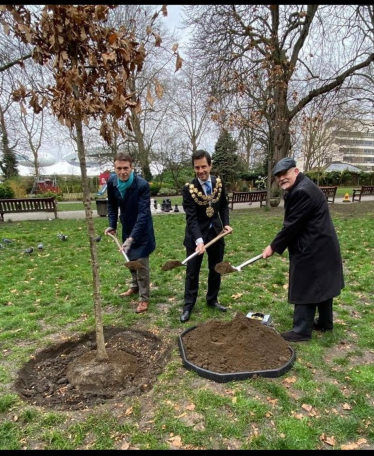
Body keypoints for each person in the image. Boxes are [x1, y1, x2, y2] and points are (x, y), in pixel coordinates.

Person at [262, 157, 345, 342]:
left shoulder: (302, 192)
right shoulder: (301, 186)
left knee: (304, 283)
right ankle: (325, 323)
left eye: (285, 174)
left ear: (296, 171)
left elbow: (292, 226)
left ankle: (301, 330)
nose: (281, 178)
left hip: (313, 247)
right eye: (278, 176)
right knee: (322, 283)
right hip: (322, 244)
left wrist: (273, 246)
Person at [180, 149, 233, 323]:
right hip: (196, 236)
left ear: (210, 165)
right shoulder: (189, 189)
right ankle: (188, 306)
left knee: (216, 268)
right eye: (197, 168)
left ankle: (212, 300)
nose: (201, 171)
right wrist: (199, 241)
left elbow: (224, 205)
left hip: (216, 233)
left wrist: (225, 223)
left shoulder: (218, 183)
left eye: (204, 166)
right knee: (192, 272)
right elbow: (192, 218)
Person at [104, 152, 156, 314]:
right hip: (126, 227)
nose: (122, 172)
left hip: (142, 230)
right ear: (115, 168)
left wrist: (132, 238)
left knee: (141, 264)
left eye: (125, 168)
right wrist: (112, 224)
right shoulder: (112, 182)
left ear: (132, 168)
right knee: (129, 259)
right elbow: (112, 206)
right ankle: (134, 286)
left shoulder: (141, 186)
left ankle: (144, 299)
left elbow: (143, 214)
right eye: (119, 168)